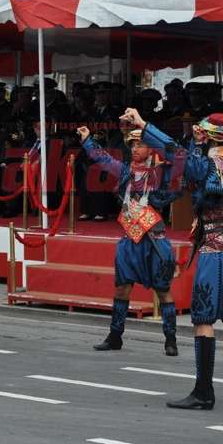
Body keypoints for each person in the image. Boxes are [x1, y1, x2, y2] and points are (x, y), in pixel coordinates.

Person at [146, 113, 223, 411]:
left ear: (212, 137)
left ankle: (204, 393)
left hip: (214, 252)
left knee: (203, 320)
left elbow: (173, 150)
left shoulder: (206, 166)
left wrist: (144, 126)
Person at [79, 109, 183, 356]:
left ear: (151, 149)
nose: (136, 148)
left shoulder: (162, 173)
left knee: (163, 290)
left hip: (154, 239)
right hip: (129, 240)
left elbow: (179, 157)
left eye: (141, 144)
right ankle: (115, 336)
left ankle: (171, 340)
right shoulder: (126, 172)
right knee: (121, 288)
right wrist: (87, 140)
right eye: (133, 144)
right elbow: (105, 160)